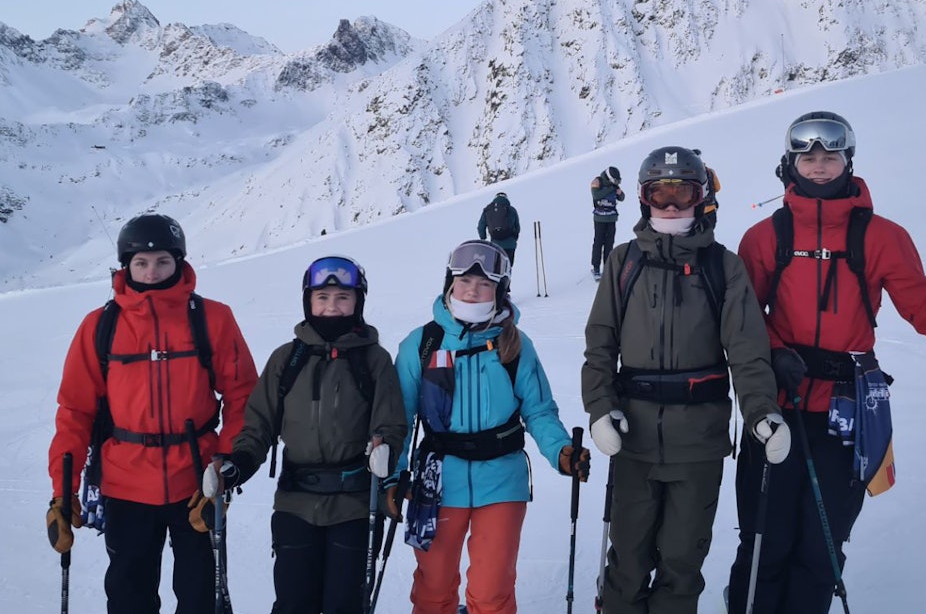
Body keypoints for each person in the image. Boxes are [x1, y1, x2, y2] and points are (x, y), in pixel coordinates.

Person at [726, 111, 926, 614]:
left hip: (846, 412)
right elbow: (741, 318)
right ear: (790, 164)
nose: (818, 167)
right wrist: (774, 351)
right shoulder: (764, 237)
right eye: (807, 158)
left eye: (829, 157)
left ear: (847, 161)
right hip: (777, 405)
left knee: (822, 548)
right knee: (765, 540)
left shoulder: (881, 237)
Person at [582, 147, 788, 614]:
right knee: (627, 564)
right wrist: (600, 408)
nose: (671, 205)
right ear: (643, 198)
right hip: (632, 441)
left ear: (702, 199)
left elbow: (747, 352)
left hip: (698, 445)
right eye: (661, 193)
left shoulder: (723, 267)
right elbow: (600, 345)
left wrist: (762, 411)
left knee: (681, 565)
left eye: (683, 193)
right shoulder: (623, 262)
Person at [46, 213, 258, 614]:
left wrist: (227, 468)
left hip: (197, 483)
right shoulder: (100, 326)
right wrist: (63, 490)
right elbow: (75, 411)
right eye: (140, 263)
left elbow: (243, 396)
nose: (151, 271)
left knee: (204, 599)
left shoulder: (212, 318)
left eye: (162, 260)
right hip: (125, 484)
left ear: (179, 261)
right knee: (130, 598)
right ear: (126, 266)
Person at [391, 239, 590, 614]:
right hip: (438, 482)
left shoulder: (514, 346)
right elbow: (400, 418)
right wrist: (393, 475)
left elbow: (539, 411)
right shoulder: (422, 344)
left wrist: (561, 451)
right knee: (433, 590)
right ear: (449, 284)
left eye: (484, 284)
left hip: (502, 479)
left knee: (491, 592)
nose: (472, 289)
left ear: (499, 292)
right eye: (464, 280)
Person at [202, 255, 407, 614]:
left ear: (358, 301)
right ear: (308, 301)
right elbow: (259, 425)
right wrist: (238, 464)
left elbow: (390, 422)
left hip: (354, 505)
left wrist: (384, 449)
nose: (332, 307)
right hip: (295, 503)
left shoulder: (374, 360)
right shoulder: (287, 360)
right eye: (322, 298)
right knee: (294, 603)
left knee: (343, 604)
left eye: (343, 297)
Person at [590, 166, 625, 279]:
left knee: (609, 243)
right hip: (600, 218)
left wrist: (619, 193)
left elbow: (622, 197)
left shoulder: (614, 185)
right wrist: (612, 189)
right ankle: (596, 267)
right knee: (598, 242)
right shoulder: (597, 182)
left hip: (611, 218)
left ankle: (607, 267)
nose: (616, 183)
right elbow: (596, 195)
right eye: (615, 180)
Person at [477, 192, 521, 265]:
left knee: (496, 268)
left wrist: (483, 237)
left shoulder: (488, 210)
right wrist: (514, 238)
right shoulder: (512, 210)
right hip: (510, 245)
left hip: (495, 244)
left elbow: (481, 226)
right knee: (508, 267)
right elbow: (517, 227)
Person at [692, 149, 722, 230]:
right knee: (708, 238)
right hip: (711, 209)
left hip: (695, 212)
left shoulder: (688, 174)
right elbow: (718, 188)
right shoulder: (710, 171)